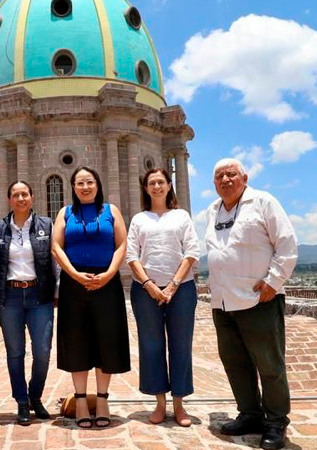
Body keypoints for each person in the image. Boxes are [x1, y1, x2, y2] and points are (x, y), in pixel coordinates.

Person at [205, 158, 298, 450]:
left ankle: (275, 422)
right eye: (219, 176)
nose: (225, 180)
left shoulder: (264, 201)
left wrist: (273, 282)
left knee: (269, 364)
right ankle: (250, 413)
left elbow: (287, 244)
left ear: (244, 177)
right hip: (222, 301)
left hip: (259, 298)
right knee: (235, 363)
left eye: (231, 174)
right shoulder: (212, 210)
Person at [51, 166, 130, 429]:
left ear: (97, 184)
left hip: (107, 283)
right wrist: (73, 273)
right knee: (77, 342)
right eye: (79, 183)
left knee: (106, 341)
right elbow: (56, 247)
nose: (85, 187)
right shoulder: (65, 213)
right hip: (74, 285)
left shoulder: (111, 210)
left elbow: (121, 244)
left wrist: (109, 274)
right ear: (72, 187)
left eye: (90, 182)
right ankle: (82, 400)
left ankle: (104, 399)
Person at [126, 168, 199, 427]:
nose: (156, 186)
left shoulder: (181, 216)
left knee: (181, 344)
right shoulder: (139, 219)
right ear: (145, 188)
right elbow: (131, 255)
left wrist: (172, 285)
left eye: (161, 182)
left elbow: (191, 252)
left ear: (169, 186)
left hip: (182, 289)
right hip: (146, 291)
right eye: (151, 183)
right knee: (151, 345)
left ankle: (179, 404)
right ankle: (159, 403)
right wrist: (148, 284)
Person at [0, 181, 57, 426]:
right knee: (15, 352)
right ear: (9, 199)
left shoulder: (46, 225)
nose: (20, 199)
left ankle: (35, 395)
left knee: (42, 351)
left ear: (32, 197)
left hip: (38, 295)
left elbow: (55, 258)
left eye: (24, 194)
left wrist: (57, 289)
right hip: (9, 296)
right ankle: (21, 401)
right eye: (15, 195)